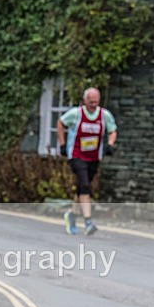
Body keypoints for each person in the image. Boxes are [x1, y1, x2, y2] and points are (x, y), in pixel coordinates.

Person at [56, 87, 118, 235]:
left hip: (93, 157)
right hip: (77, 155)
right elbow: (60, 123)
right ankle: (88, 222)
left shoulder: (104, 115)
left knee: (82, 187)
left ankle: (72, 215)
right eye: (90, 102)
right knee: (84, 185)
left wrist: (110, 144)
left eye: (95, 102)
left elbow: (112, 130)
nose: (93, 105)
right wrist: (63, 144)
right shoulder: (75, 114)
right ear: (85, 100)